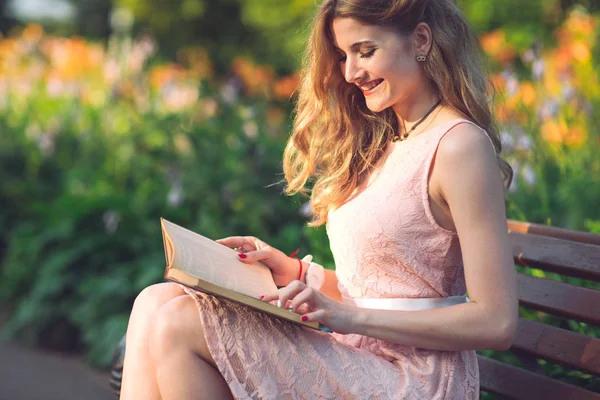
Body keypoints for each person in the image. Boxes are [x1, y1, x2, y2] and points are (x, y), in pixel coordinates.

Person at [120, 0, 518, 398]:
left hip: (415, 377)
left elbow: (496, 321)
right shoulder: (388, 142)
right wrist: (291, 272)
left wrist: (350, 317)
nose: (350, 72)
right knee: (156, 300)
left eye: (365, 51)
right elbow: (379, 289)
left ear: (420, 39)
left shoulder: (458, 146)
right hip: (359, 358)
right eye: (344, 55)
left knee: (178, 322)